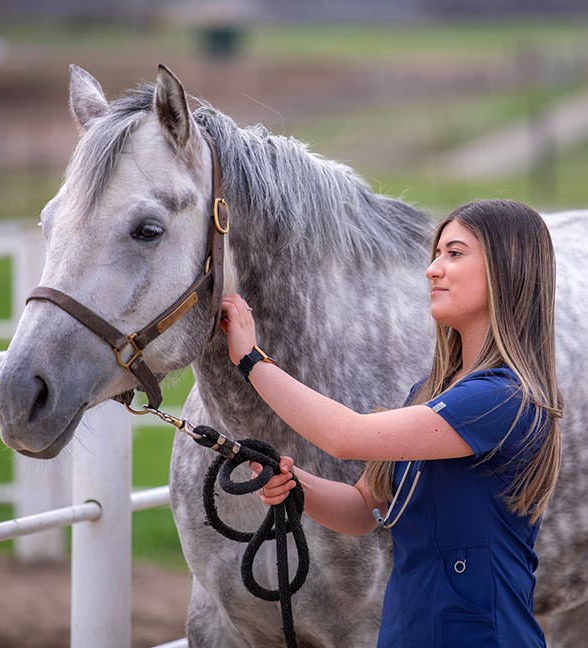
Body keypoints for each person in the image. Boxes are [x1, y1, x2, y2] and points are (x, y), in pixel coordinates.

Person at [220, 199, 563, 648]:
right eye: (436, 254)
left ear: (507, 269)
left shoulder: (501, 398)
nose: (433, 270)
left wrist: (251, 359)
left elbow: (347, 437)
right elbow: (365, 509)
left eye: (454, 254)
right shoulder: (432, 393)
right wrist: (293, 483)